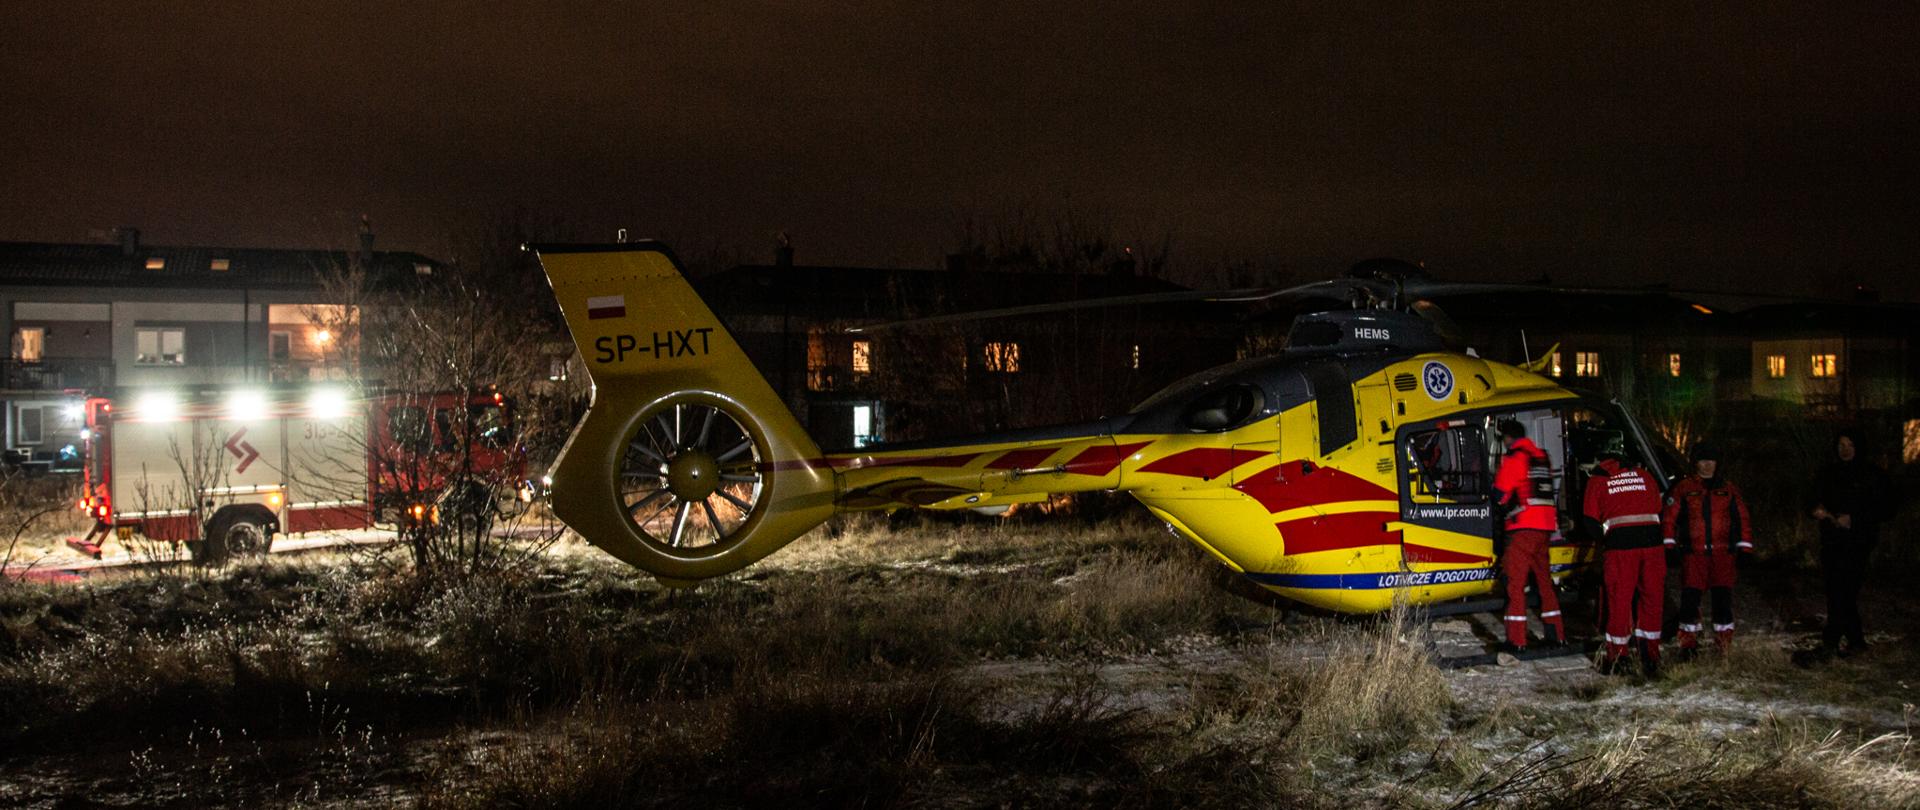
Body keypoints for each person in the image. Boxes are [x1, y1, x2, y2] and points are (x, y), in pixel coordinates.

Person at [1661, 442, 1753, 657]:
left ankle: (1723, 645)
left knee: (1723, 601)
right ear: (1696, 463)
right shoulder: (1684, 488)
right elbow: (1669, 518)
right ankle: (1688, 645)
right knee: (1690, 602)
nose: (1707, 465)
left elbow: (1743, 519)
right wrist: (1669, 545)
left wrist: (1746, 547)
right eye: (1703, 460)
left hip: (1723, 555)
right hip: (1694, 555)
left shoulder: (1728, 489)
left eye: (1711, 460)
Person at [1581, 450, 1666, 676]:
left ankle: (1618, 657)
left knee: (1619, 601)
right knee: (1652, 599)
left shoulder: (1598, 480)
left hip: (1621, 548)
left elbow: (1589, 520)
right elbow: (1658, 509)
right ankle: (1650, 656)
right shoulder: (1645, 476)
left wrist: (1605, 540)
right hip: (1653, 544)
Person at [1810, 428, 1892, 656]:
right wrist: (1817, 510)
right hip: (1832, 540)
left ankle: (1834, 638)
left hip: (1859, 541)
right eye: (1841, 445)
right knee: (1834, 589)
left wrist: (1854, 518)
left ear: (1858, 447)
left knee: (1846, 590)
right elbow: (1811, 498)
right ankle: (1854, 640)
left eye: (1849, 446)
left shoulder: (1872, 475)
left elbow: (1885, 508)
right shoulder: (1828, 473)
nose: (1844, 450)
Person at [1493, 419, 1563, 651]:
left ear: (1508, 438)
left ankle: (1516, 640)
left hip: (1523, 527)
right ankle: (1556, 634)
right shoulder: (1541, 456)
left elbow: (1500, 495)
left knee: (1515, 584)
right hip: (1545, 527)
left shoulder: (1515, 458)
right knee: (1544, 582)